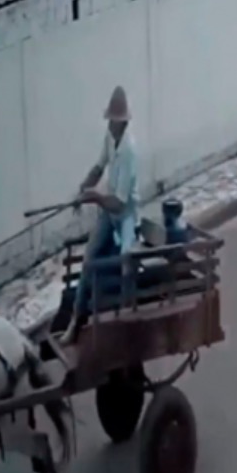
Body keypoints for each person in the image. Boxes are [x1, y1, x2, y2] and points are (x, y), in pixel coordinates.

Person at [61, 86, 141, 345]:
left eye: (115, 122)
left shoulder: (129, 150)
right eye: (110, 121)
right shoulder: (110, 138)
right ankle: (76, 320)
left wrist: (94, 197)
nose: (111, 126)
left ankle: (129, 316)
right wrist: (84, 188)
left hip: (126, 213)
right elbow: (99, 166)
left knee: (127, 258)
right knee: (89, 259)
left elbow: (119, 203)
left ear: (124, 122)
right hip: (109, 211)